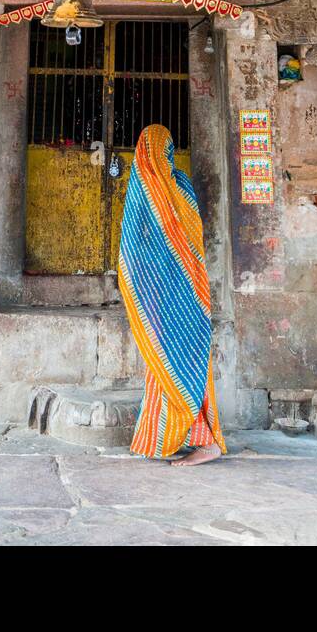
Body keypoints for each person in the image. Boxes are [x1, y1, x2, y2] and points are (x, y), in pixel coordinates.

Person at [118, 123, 226, 465]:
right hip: (172, 293)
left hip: (178, 295)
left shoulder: (161, 188)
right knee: (170, 368)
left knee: (183, 365)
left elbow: (140, 248)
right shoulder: (170, 188)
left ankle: (206, 443)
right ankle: (188, 436)